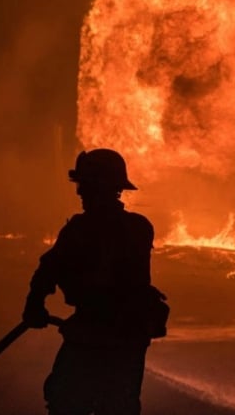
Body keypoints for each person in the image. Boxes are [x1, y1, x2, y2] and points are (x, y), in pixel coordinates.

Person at [23, 148, 155, 415]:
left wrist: (34, 305)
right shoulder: (140, 227)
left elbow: (49, 268)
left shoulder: (80, 230)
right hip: (128, 337)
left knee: (66, 401)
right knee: (119, 406)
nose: (79, 192)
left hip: (92, 334)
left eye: (85, 185)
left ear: (100, 187)